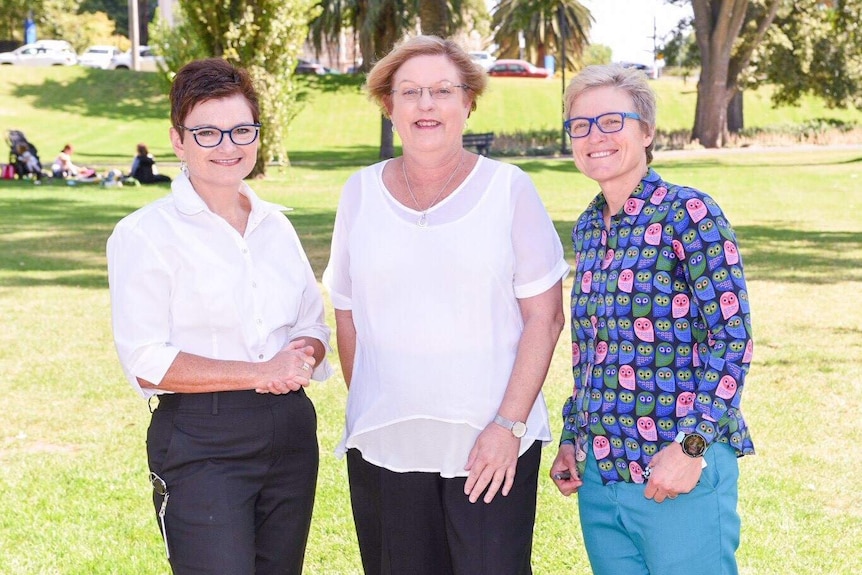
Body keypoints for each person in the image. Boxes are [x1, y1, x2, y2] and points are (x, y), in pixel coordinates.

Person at [323, 35, 569, 575]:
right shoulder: (358, 193)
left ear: (468, 102)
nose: (425, 104)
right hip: (387, 445)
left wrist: (508, 426)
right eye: (409, 92)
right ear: (389, 106)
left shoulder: (510, 189)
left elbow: (545, 318)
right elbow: (346, 313)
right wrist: (376, 401)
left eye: (442, 90)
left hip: (489, 447)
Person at [107, 58, 332, 575]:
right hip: (201, 438)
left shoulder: (276, 226)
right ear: (178, 140)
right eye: (207, 132)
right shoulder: (144, 235)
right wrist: (260, 372)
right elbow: (146, 361)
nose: (228, 146)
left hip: (290, 433)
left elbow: (311, 324)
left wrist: (303, 354)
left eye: (241, 130)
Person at [550, 63, 755, 575]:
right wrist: (573, 436)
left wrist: (689, 449)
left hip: (680, 468)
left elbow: (733, 341)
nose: (594, 136)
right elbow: (593, 348)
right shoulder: (589, 226)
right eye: (580, 125)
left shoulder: (691, 214)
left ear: (646, 131)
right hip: (602, 476)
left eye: (612, 122)